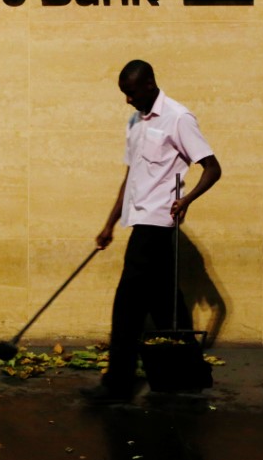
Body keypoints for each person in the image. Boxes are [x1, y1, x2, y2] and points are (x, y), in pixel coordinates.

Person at [80, 60, 222, 404]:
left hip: (157, 223)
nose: (127, 100)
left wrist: (187, 198)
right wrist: (110, 223)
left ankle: (117, 383)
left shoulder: (178, 117)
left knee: (127, 306)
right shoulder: (135, 121)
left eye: (130, 93)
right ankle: (189, 375)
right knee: (165, 304)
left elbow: (213, 168)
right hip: (138, 220)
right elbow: (130, 178)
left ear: (148, 84)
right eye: (124, 94)